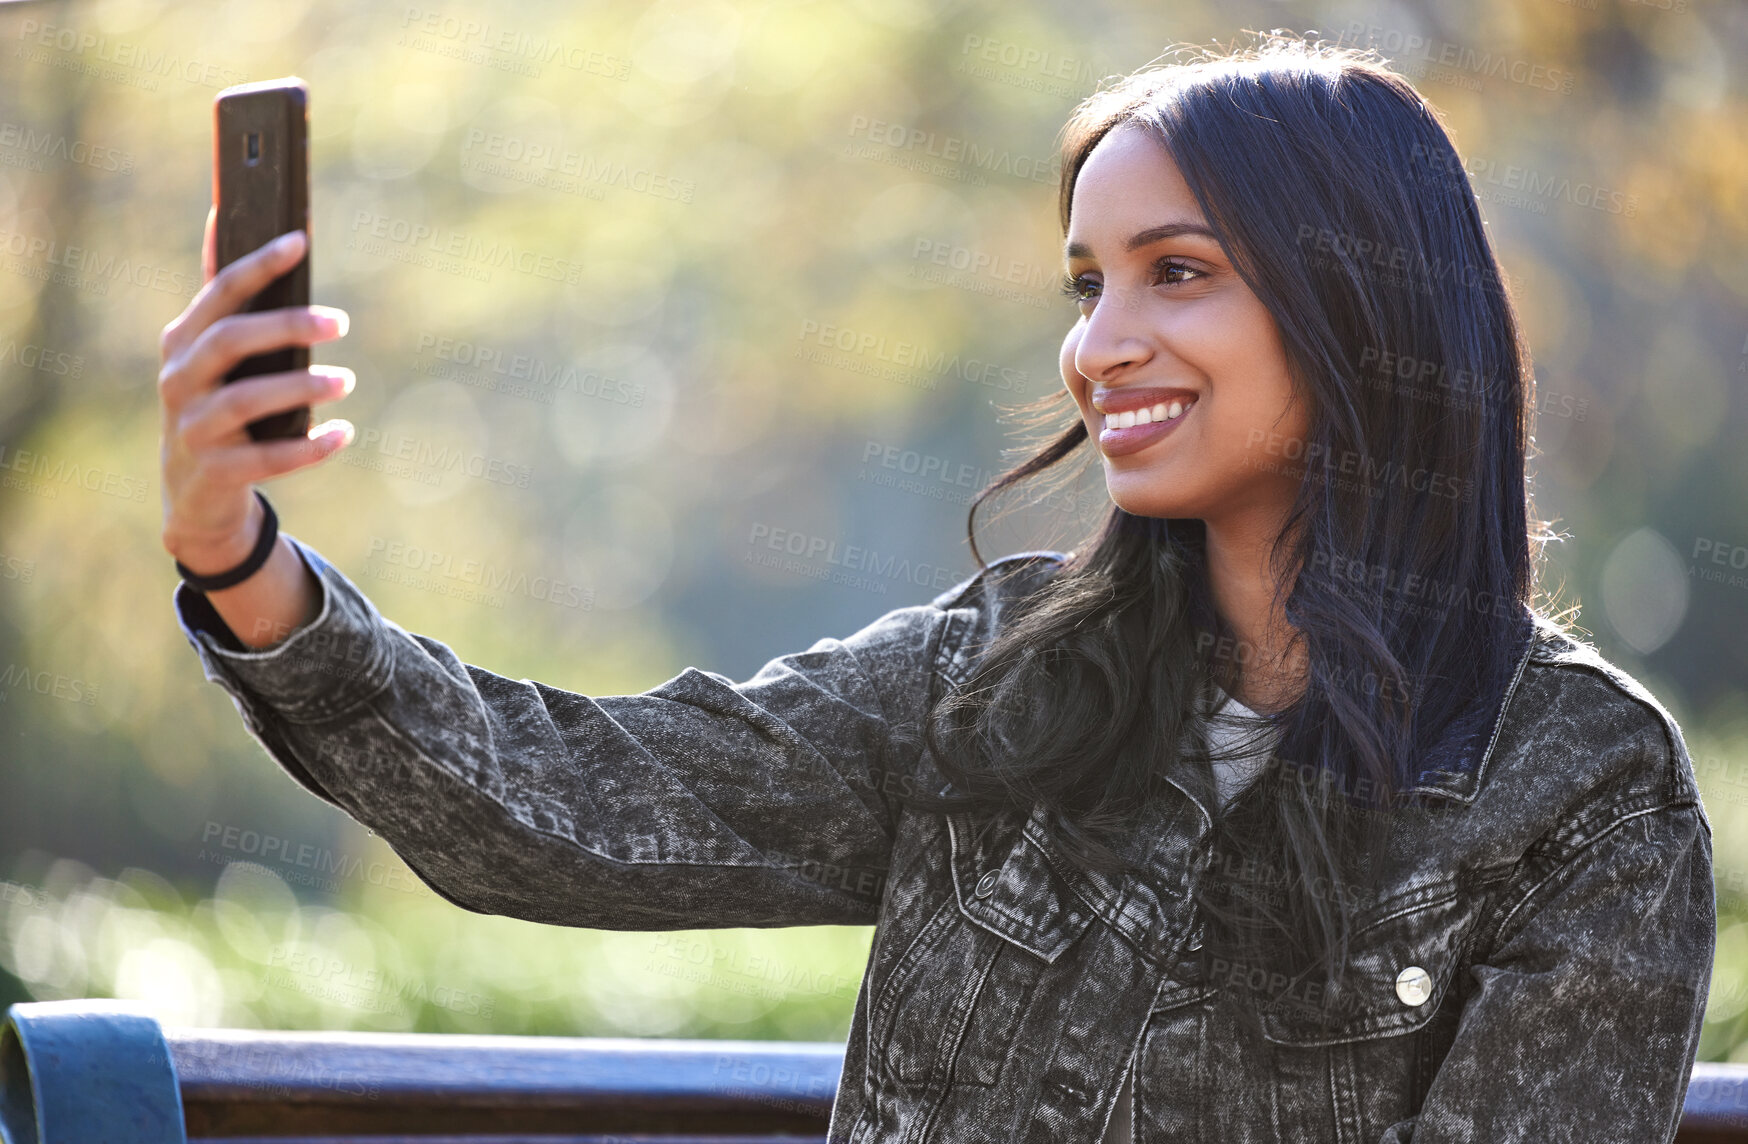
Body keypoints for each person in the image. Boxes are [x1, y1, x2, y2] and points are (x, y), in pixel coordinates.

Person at [158, 32, 1715, 1143]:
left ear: (1361, 306)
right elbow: (564, 809)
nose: (1102, 344)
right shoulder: (998, 675)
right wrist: (240, 555)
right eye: (1087, 283)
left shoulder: (1583, 795)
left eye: (1178, 272)